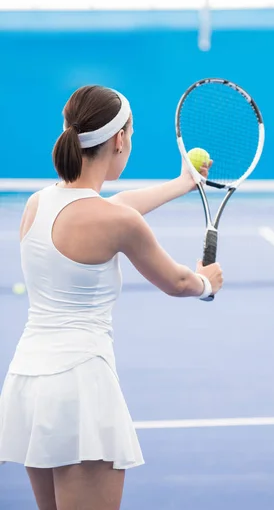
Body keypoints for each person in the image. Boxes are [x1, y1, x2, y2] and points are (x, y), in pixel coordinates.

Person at [0, 85, 223, 510]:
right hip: (79, 390)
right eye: (132, 133)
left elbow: (114, 206)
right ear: (119, 139)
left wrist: (181, 183)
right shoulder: (115, 220)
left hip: (26, 386)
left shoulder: (36, 203)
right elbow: (176, 281)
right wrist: (206, 282)